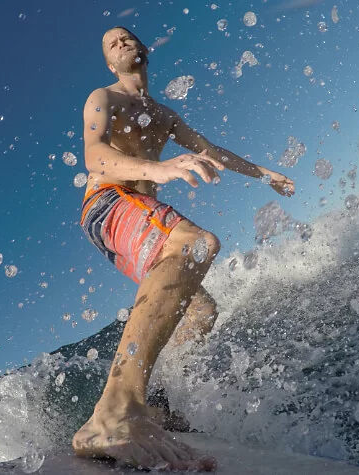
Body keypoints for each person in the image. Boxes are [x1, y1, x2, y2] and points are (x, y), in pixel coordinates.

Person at [73, 26, 295, 471]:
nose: (118, 42)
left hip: (137, 214)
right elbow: (94, 156)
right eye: (109, 44)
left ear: (142, 49)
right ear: (108, 64)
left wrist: (264, 173)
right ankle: (115, 410)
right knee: (197, 245)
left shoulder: (164, 114)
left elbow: (213, 152)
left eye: (125, 37)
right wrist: (157, 168)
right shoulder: (103, 98)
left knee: (200, 311)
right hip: (108, 204)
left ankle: (153, 403)